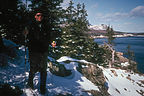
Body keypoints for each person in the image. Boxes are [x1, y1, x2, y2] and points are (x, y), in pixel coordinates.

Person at [23, 12, 56, 94]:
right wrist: (25, 33)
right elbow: (24, 33)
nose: (40, 17)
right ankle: (30, 84)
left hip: (44, 50)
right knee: (33, 68)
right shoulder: (30, 25)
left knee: (43, 70)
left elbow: (51, 35)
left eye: (41, 15)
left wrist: (53, 41)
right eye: (38, 15)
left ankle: (42, 87)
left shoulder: (46, 25)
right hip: (33, 50)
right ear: (35, 16)